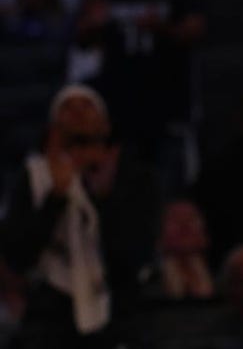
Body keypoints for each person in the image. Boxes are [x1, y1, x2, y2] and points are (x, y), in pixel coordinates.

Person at [0, 84, 160, 349]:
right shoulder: (33, 177)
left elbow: (136, 255)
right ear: (53, 127)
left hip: (118, 314)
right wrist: (56, 198)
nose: (77, 113)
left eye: (86, 106)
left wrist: (104, 198)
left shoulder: (132, 176)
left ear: (105, 125)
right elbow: (17, 256)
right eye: (68, 108)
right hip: (50, 316)